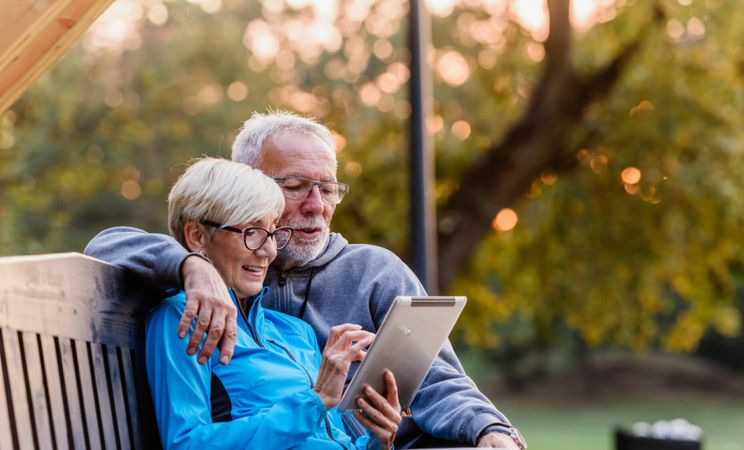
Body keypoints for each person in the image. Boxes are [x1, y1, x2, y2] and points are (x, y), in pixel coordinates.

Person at [85, 111, 526, 449]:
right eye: (295, 186)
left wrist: (486, 430)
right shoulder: (197, 294)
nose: (316, 205)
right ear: (250, 188)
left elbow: (437, 379)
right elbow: (108, 244)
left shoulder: (362, 278)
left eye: (328, 188)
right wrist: (191, 267)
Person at [147, 157, 401, 449]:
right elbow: (186, 444)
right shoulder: (183, 318)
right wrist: (315, 402)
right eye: (251, 232)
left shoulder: (294, 331)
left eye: (272, 233)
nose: (268, 251)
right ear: (197, 236)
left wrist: (378, 441)